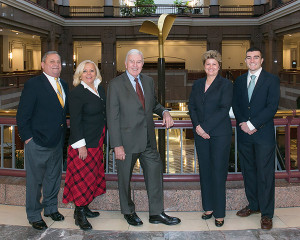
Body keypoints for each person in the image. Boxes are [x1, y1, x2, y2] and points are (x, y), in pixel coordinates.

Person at [106, 49, 181, 226]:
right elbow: (112, 116)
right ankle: (128, 211)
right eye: (131, 61)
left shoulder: (147, 81)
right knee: (124, 179)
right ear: (125, 64)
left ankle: (156, 213)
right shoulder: (115, 85)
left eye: (138, 61)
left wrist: (164, 111)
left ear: (142, 64)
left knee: (155, 175)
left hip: (147, 140)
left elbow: (152, 104)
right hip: (126, 142)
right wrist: (117, 144)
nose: (135, 65)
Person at [16, 51, 68, 230]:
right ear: (42, 65)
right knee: (34, 182)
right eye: (52, 61)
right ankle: (33, 215)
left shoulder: (64, 85)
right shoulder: (34, 84)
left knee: (53, 179)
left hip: (57, 142)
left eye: (59, 62)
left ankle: (51, 208)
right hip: (37, 142)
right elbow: (22, 115)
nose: (56, 65)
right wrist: (28, 138)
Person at [232, 47, 280, 230]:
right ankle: (254, 205)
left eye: (256, 57)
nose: (252, 60)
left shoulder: (271, 80)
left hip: (263, 135)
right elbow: (235, 104)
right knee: (249, 172)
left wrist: (253, 125)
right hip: (244, 134)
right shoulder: (239, 81)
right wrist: (244, 123)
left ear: (262, 60)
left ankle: (267, 214)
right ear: (245, 60)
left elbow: (272, 106)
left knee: (265, 175)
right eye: (249, 57)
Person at [188, 50, 233, 227]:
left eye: (214, 64)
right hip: (201, 135)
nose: (211, 67)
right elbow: (191, 106)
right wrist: (198, 127)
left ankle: (220, 213)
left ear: (219, 66)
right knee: (205, 171)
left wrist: (205, 127)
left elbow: (224, 109)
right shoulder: (198, 84)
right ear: (204, 66)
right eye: (208, 64)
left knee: (218, 172)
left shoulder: (226, 84)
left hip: (219, 134)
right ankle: (208, 208)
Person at [62, 60, 106, 231]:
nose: (89, 74)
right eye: (85, 71)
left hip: (97, 141)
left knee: (91, 176)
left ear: (96, 73)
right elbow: (76, 121)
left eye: (92, 71)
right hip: (84, 145)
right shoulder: (77, 93)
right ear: (79, 74)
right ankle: (79, 213)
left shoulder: (99, 88)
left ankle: (85, 206)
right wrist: (81, 145)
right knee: (82, 179)